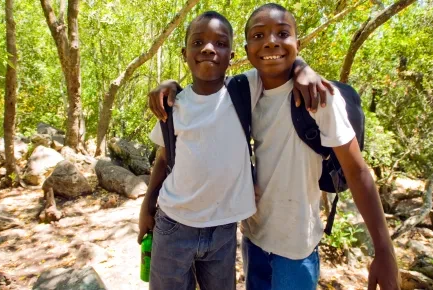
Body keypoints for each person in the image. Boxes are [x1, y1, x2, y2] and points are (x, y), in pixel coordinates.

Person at [148, 4, 401, 290]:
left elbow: (359, 173)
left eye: (282, 33)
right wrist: (169, 85)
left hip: (296, 249)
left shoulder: (319, 97)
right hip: (253, 238)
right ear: (245, 50)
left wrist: (384, 250)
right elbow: (204, 97)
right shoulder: (244, 89)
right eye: (259, 36)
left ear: (297, 42)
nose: (270, 42)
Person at [137, 11, 256, 290]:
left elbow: (281, 65)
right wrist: (146, 207)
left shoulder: (245, 92)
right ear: (184, 53)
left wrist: (302, 68)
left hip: (224, 230)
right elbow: (164, 158)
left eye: (220, 43)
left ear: (232, 54)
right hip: (173, 226)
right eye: (198, 42)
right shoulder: (174, 105)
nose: (208, 48)